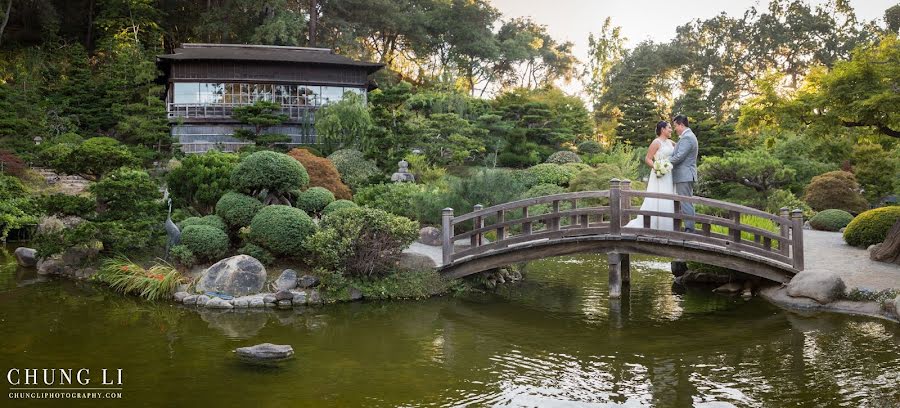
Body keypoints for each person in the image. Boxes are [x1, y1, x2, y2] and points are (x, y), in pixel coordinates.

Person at [625, 121, 675, 230]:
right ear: (663, 129)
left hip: (668, 174)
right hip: (659, 173)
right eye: (669, 128)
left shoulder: (671, 143)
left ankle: (665, 226)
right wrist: (657, 167)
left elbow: (680, 149)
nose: (671, 130)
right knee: (658, 197)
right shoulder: (656, 142)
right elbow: (648, 158)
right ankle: (653, 224)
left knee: (668, 197)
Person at [669, 115, 699, 233]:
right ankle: (689, 228)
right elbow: (681, 151)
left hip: (684, 175)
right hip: (685, 175)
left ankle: (689, 230)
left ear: (681, 125)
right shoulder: (687, 137)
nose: (675, 129)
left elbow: (679, 157)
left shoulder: (687, 138)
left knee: (686, 202)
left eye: (675, 126)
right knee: (686, 202)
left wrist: (664, 163)